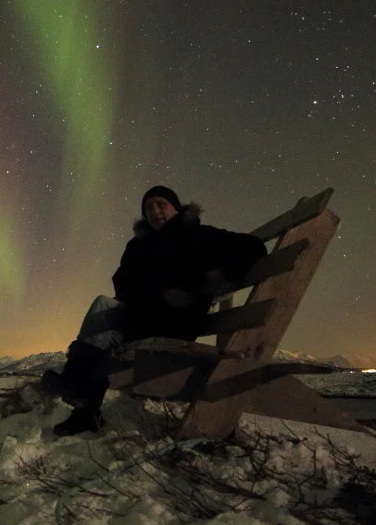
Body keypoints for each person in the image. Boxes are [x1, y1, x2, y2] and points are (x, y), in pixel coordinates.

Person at [42, 185, 268, 436]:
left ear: (176, 207)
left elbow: (253, 247)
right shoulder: (138, 245)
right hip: (144, 316)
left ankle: (80, 396)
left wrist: (219, 275)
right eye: (148, 208)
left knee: (106, 331)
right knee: (103, 309)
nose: (155, 211)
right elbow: (123, 283)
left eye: (161, 204)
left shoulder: (198, 235)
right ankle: (83, 402)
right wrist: (158, 294)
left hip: (178, 320)